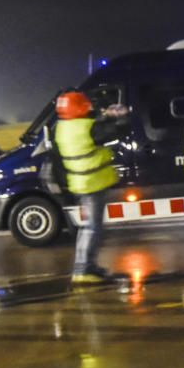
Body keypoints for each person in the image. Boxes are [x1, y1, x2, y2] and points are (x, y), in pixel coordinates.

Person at [54, 90, 129, 285]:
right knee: (93, 229)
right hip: (93, 182)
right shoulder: (86, 127)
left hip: (80, 181)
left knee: (87, 228)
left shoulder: (63, 127)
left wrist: (105, 116)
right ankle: (84, 269)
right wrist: (121, 117)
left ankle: (87, 266)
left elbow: (94, 126)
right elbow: (114, 131)